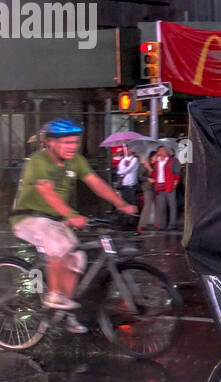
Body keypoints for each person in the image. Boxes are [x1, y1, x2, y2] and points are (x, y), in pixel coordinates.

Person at [9, 119, 137, 332]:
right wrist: (71, 214)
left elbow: (96, 183)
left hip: (53, 219)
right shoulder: (38, 161)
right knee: (58, 244)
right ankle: (53, 296)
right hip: (28, 218)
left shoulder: (75, 161)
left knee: (77, 257)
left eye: (75, 142)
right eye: (66, 142)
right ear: (50, 143)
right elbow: (47, 191)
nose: (72, 147)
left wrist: (121, 203)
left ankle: (63, 313)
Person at [151, 144, 181, 230]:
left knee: (172, 206)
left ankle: (172, 225)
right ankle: (162, 225)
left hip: (170, 186)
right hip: (160, 187)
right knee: (162, 206)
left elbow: (178, 173)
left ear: (166, 152)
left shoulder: (173, 161)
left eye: (163, 150)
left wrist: (175, 184)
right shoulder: (157, 162)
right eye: (159, 151)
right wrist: (152, 165)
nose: (161, 152)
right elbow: (154, 174)